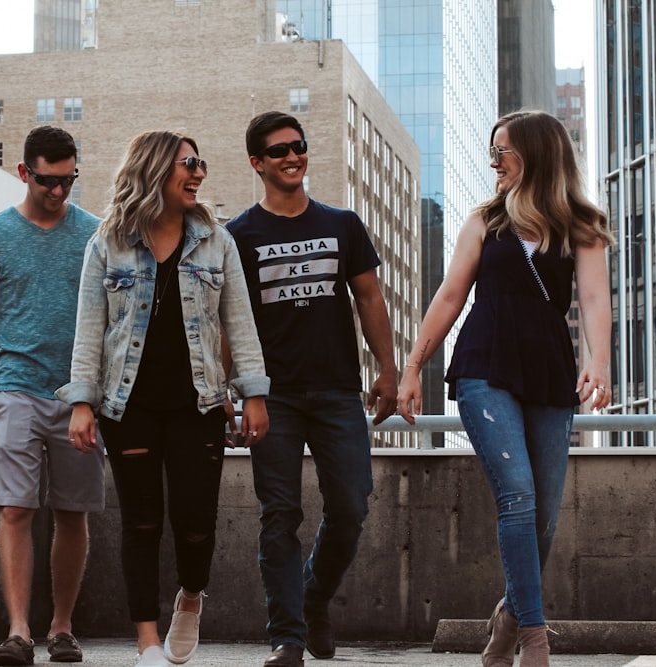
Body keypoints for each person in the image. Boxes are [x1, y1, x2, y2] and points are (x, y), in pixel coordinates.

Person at [396, 110, 613, 667]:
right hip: (483, 366)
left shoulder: (581, 224)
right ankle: (535, 639)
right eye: (492, 151)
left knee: (543, 514)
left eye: (504, 151)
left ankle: (508, 617)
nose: (493, 162)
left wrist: (601, 362)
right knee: (516, 494)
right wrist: (413, 367)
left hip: (547, 370)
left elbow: (592, 300)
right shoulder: (483, 222)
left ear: (536, 154)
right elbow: (448, 297)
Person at [57, 130, 270, 667]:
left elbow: (239, 323)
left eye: (200, 163)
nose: (198, 172)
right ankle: (146, 642)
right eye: (188, 163)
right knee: (142, 521)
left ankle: (191, 595)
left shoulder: (217, 242)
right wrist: (82, 402)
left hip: (198, 405)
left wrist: (254, 394)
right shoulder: (108, 242)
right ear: (155, 169)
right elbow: (88, 327)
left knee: (196, 522)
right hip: (127, 408)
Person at [226, 111, 399, 667]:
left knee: (351, 505)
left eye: (298, 146)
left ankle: (314, 597)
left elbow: (370, 298)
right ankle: (288, 639)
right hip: (270, 395)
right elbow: (232, 320)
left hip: (337, 392)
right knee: (279, 515)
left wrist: (388, 369)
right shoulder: (240, 236)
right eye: (278, 151)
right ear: (257, 163)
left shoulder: (342, 224)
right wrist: (232, 393)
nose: (292, 156)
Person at [0, 126, 106, 666]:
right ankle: (18, 631)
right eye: (48, 181)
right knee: (15, 508)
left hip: (79, 395)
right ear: (24, 173)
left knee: (72, 512)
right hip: (14, 387)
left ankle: (61, 628)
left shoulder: (94, 234)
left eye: (68, 181)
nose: (59, 192)